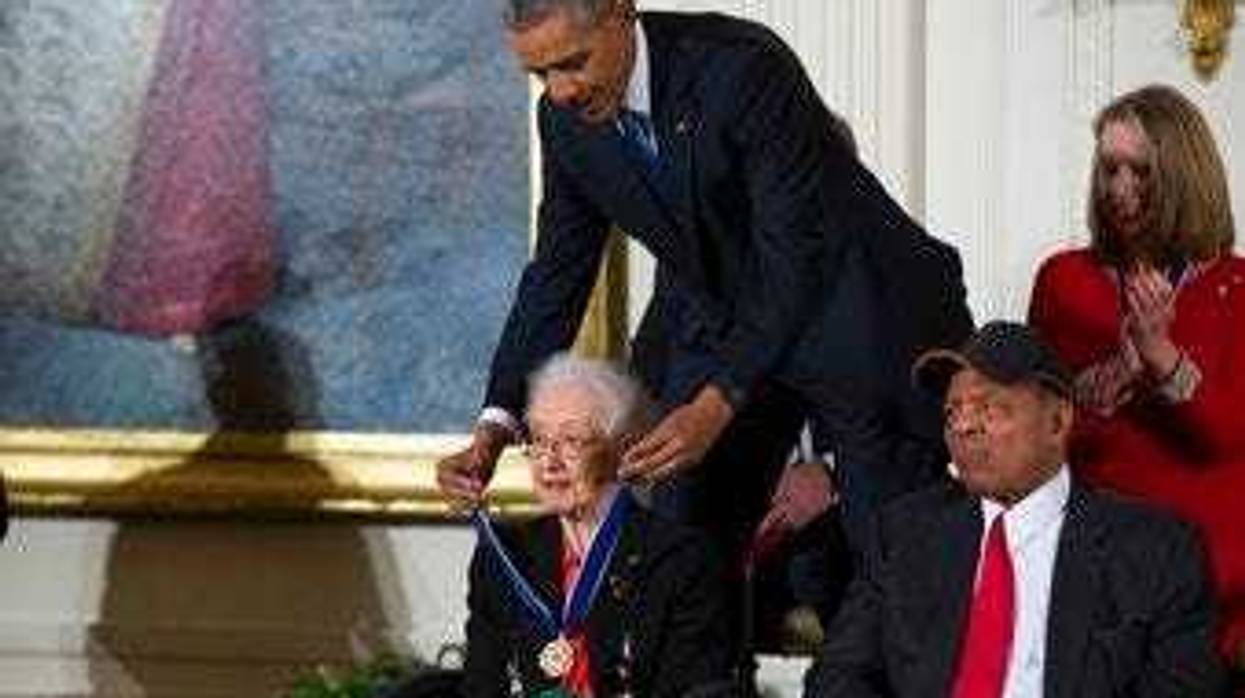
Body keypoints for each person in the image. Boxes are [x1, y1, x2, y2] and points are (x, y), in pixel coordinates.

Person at [437, 0, 971, 592]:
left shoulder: (740, 68)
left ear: (621, 12)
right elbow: (557, 276)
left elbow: (794, 256)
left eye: (573, 62)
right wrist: (497, 422)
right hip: (736, 326)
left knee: (892, 569)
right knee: (680, 551)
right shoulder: (565, 124)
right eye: (541, 74)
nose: (560, 91)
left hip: (857, 317)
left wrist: (718, 401)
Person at [805, 320, 1228, 697]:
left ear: (1058, 422)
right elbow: (838, 677)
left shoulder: (1157, 552)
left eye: (989, 408)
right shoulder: (903, 535)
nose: (964, 426)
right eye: (953, 412)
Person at [1027, 83, 1245, 668]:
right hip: (1094, 567)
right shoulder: (1064, 279)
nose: (1120, 189)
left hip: (1212, 576)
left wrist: (1161, 357)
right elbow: (1036, 434)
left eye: (1141, 172)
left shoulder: (1238, 289)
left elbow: (1227, 436)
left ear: (1183, 175)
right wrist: (1094, 387)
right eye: (1109, 169)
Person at [461, 354, 733, 697]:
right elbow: (480, 688)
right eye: (539, 440)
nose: (549, 462)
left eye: (572, 441)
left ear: (623, 449)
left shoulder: (681, 560)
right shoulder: (505, 558)